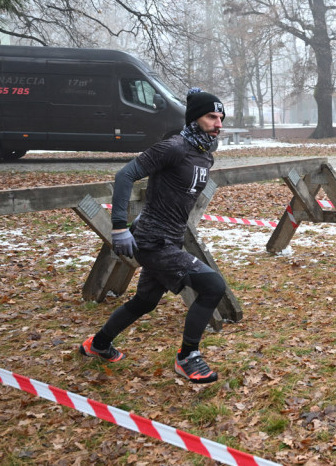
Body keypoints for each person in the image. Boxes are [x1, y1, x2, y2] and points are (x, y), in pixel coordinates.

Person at [79, 88, 227, 384]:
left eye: (221, 117)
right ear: (195, 118)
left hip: (169, 240)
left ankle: (98, 345)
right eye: (211, 116)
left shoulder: (203, 154)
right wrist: (119, 226)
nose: (218, 123)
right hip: (151, 240)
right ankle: (188, 357)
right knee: (213, 286)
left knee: (145, 301)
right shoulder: (173, 147)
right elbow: (125, 176)